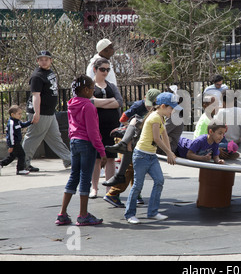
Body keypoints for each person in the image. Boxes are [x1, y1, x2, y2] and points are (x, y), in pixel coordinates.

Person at [55, 75, 107, 226]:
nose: (93, 91)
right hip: (86, 144)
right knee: (85, 178)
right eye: (92, 88)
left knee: (73, 176)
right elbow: (93, 132)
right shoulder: (88, 106)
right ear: (85, 90)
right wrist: (102, 152)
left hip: (74, 142)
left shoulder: (72, 104)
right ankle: (83, 215)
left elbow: (71, 127)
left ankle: (62, 214)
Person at [124, 92, 181, 224]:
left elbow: (164, 135)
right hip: (142, 155)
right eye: (171, 108)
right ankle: (130, 214)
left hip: (151, 155)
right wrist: (168, 152)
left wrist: (170, 152)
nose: (172, 111)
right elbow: (157, 138)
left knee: (159, 180)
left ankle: (153, 212)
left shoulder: (161, 117)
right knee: (138, 185)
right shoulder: (155, 118)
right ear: (162, 106)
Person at [101, 89, 161, 208]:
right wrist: (132, 128)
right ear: (144, 98)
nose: (150, 108)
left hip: (136, 139)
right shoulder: (138, 106)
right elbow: (123, 119)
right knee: (129, 166)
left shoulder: (156, 112)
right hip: (125, 136)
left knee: (136, 165)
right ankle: (113, 193)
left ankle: (136, 193)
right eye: (149, 105)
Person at [22, 50, 72, 172]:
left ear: (51, 60)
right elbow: (35, 96)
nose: (44, 62)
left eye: (46, 59)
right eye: (41, 59)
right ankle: (22, 163)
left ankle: (69, 159)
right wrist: (36, 113)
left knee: (55, 137)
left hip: (50, 113)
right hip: (41, 113)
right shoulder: (37, 76)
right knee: (33, 138)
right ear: (37, 61)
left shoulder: (50, 73)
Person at [89, 58, 123, 199]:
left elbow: (119, 102)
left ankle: (109, 187)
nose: (105, 72)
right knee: (96, 159)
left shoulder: (112, 86)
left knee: (110, 158)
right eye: (102, 69)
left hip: (111, 127)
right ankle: (94, 188)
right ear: (95, 69)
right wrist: (109, 101)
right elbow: (90, 102)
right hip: (96, 127)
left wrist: (100, 103)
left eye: (107, 69)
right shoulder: (90, 86)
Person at [213, 91, 241, 158]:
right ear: (234, 100)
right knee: (231, 147)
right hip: (236, 142)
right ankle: (230, 150)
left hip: (222, 141)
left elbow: (214, 128)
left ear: (223, 101)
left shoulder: (219, 112)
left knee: (213, 147)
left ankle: (224, 152)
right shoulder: (240, 110)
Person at [1, 105, 32, 175]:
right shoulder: (11, 123)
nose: (20, 115)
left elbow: (23, 125)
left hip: (16, 143)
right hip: (14, 143)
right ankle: (20, 170)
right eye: (19, 114)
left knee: (12, 157)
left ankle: (1, 164)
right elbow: (10, 135)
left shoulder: (17, 121)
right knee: (22, 155)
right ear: (12, 114)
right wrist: (11, 146)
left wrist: (30, 122)